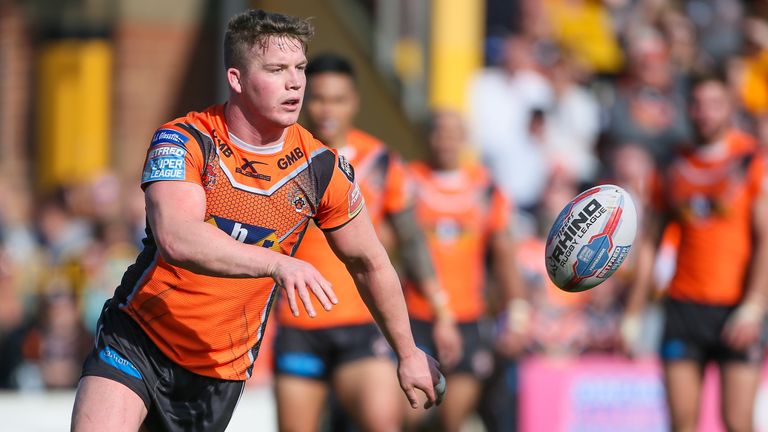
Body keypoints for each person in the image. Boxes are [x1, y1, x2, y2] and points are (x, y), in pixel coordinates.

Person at [70, 10, 442, 432]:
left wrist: (409, 353)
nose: (296, 82)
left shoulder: (321, 169)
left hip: (218, 367)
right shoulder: (186, 138)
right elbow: (177, 236)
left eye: (300, 68)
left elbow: (370, 262)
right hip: (139, 337)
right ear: (236, 79)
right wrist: (276, 262)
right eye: (276, 70)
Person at [272, 53, 459, 432]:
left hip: (362, 323)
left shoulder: (382, 162)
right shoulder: (279, 156)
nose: (328, 109)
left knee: (383, 421)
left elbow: (411, 241)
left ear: (354, 102)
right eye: (320, 98)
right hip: (298, 325)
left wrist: (440, 310)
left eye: (338, 99)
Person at [624, 73, 768, 432]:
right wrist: (633, 312)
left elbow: (766, 240)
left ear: (731, 107)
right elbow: (650, 243)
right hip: (683, 307)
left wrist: (754, 305)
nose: (705, 113)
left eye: (715, 104)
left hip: (735, 307)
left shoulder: (751, 162)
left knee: (737, 421)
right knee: (682, 423)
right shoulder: (673, 167)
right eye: (698, 104)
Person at [404, 110, 529, 432]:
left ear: (464, 138)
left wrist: (516, 315)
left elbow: (504, 256)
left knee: (452, 419)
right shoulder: (409, 181)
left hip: (468, 321)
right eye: (438, 132)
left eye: (453, 132)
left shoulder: (484, 188)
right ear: (427, 137)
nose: (445, 140)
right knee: (409, 416)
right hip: (416, 317)